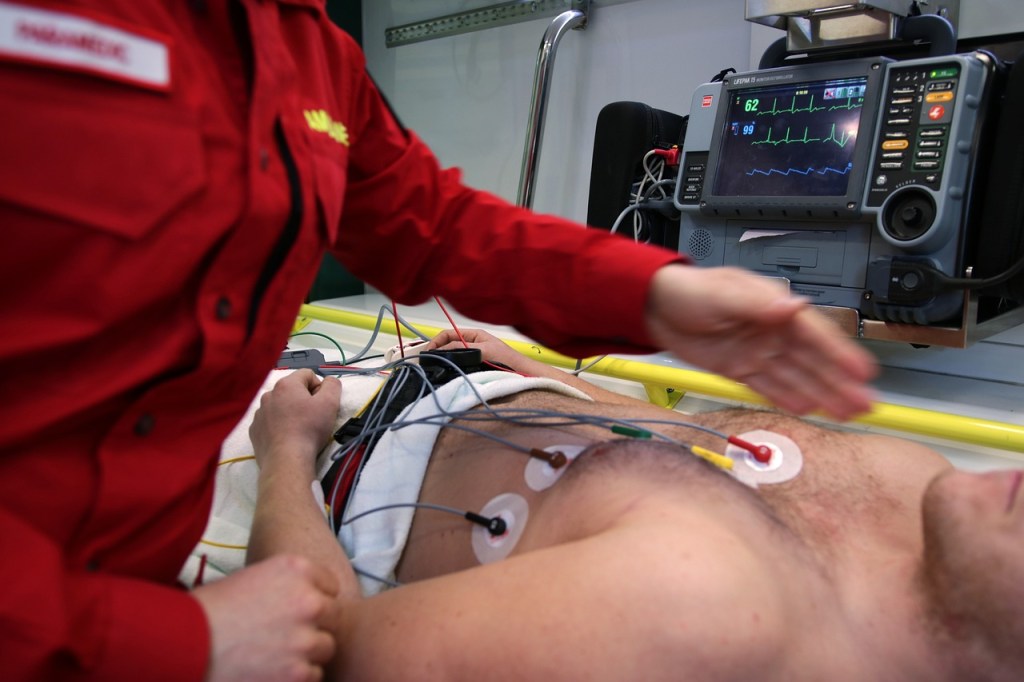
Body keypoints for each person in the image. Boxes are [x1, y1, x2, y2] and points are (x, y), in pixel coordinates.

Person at [0, 2, 876, 680]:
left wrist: (655, 294)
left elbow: (433, 223)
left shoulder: (303, 50)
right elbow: (341, 639)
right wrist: (169, 642)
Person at [243, 330, 1024, 681]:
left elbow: (324, 646)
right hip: (482, 377)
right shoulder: (924, 490)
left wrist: (285, 448)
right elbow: (708, 443)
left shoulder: (690, 625)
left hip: (328, 468)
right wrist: (546, 377)